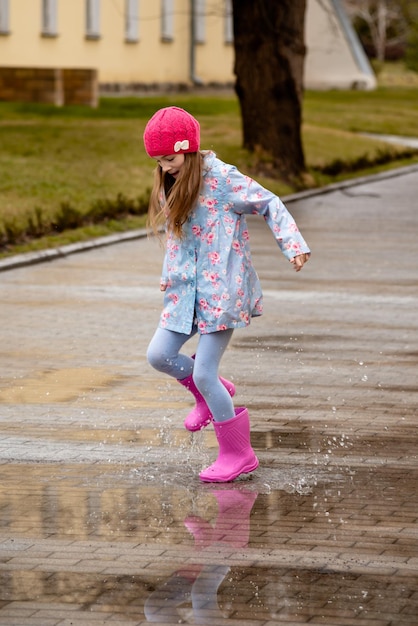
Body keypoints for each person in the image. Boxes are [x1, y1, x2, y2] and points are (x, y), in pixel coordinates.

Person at [143, 106, 310, 483]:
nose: (166, 167)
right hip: (184, 295)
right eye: (158, 161)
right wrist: (169, 275)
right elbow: (180, 242)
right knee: (159, 355)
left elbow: (270, 203)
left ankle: (239, 453)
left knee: (205, 374)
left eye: (169, 158)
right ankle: (210, 393)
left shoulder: (221, 179)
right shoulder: (175, 182)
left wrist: (293, 245)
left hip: (221, 295)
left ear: (188, 148)